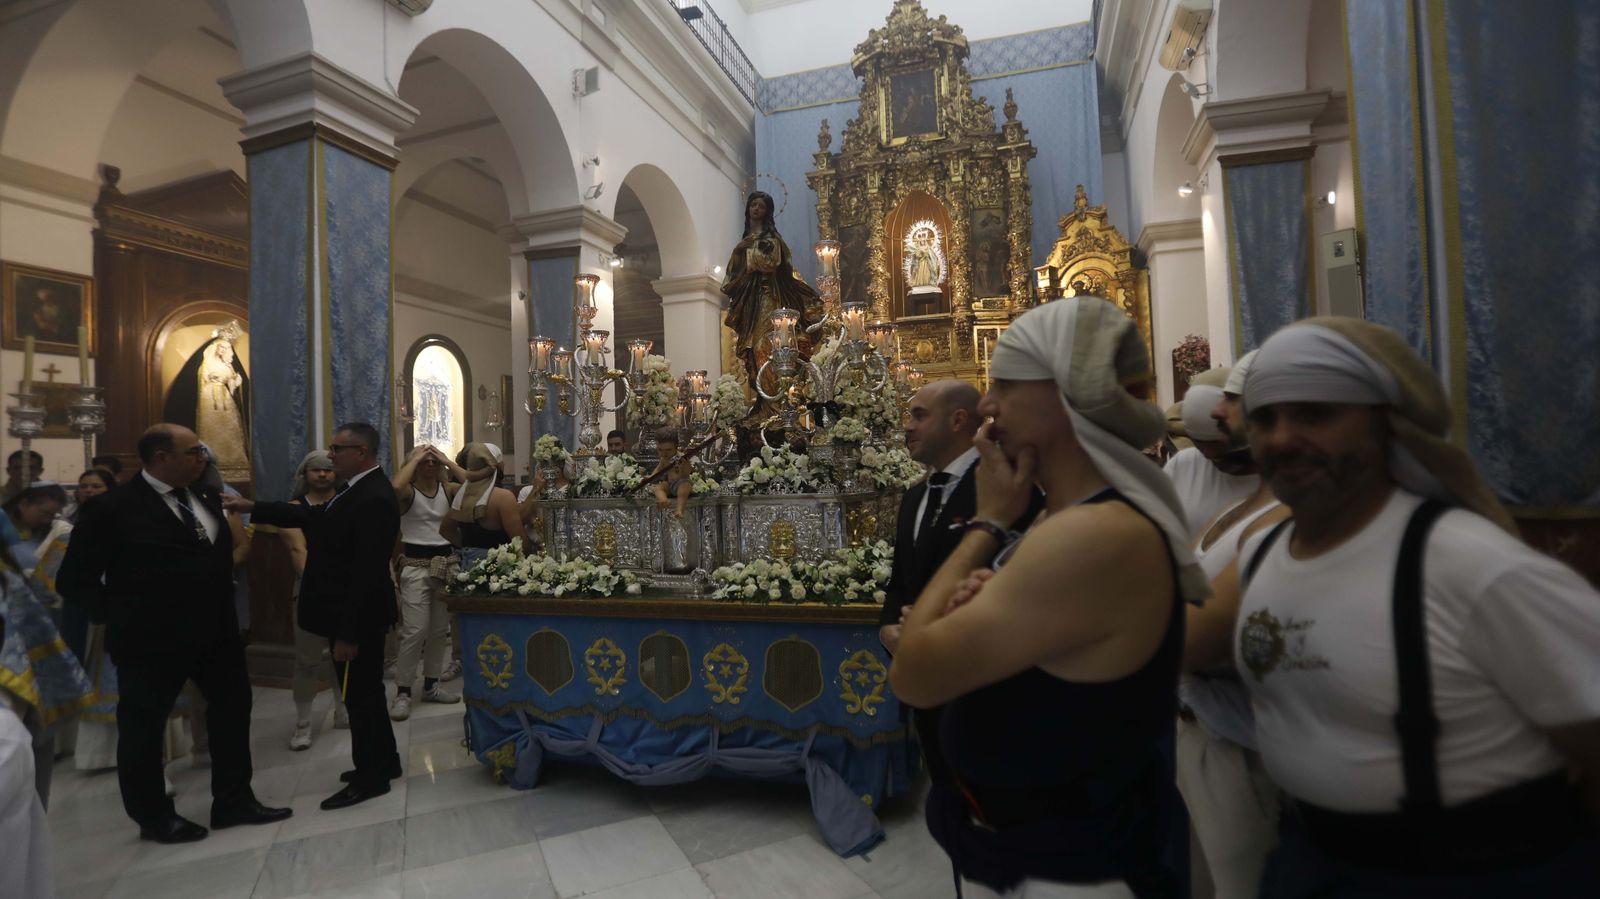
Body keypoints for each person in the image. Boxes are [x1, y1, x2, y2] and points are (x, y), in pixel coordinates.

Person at [1190, 318, 1600, 897]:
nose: (1282, 438)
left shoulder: (1469, 565)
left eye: (1316, 413)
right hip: (1309, 863)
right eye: (1265, 418)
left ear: (1387, 427)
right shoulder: (1259, 555)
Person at [892, 297, 1204, 897]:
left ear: (1067, 393)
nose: (987, 406)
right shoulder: (1066, 521)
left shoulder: (1092, 534)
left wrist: (987, 523)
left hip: (1078, 870)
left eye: (1005, 384)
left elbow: (914, 673)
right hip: (1040, 849)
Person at [59, 424, 289, 843]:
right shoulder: (114, 508)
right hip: (151, 640)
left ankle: (234, 800)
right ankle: (154, 816)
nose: (203, 456)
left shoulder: (203, 498)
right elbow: (74, 581)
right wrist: (122, 615)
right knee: (144, 729)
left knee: (232, 715)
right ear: (161, 458)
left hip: (216, 634)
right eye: (193, 451)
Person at [230, 423, 402, 809]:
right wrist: (252, 507)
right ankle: (384, 762)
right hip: (350, 615)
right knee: (365, 693)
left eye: (337, 448)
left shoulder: (372, 496)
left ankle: (371, 776)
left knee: (360, 696)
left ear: (360, 452)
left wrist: (348, 634)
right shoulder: (354, 491)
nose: (330, 455)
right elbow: (315, 518)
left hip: (357, 618)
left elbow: (366, 573)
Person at [1174, 349, 1289, 898]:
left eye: (1233, 406)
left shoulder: (1286, 519)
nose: (1220, 414)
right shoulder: (1229, 509)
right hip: (1195, 728)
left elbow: (1188, 639)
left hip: (1244, 746)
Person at [389, 444, 463, 721]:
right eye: (425, 461)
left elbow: (476, 485)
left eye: (434, 462)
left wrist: (446, 459)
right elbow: (395, 487)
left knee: (438, 631)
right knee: (415, 630)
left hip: (445, 565)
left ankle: (431, 684)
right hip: (415, 566)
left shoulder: (448, 490)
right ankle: (404, 691)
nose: (430, 465)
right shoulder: (409, 493)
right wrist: (417, 456)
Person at [281, 451, 348, 751]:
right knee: (307, 660)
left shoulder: (347, 505)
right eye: (316, 470)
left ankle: (343, 709)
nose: (322, 475)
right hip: (310, 590)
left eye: (328, 470)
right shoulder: (293, 509)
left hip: (345, 591)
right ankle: (303, 722)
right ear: (305, 475)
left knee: (343, 655)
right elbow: (298, 552)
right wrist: (323, 585)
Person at [721, 191, 819, 391]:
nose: (756, 209)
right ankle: (765, 402)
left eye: (761, 206)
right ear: (748, 208)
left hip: (769, 297)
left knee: (764, 346)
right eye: (753, 205)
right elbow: (733, 275)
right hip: (751, 302)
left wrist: (747, 253)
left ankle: (776, 399)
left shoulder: (772, 239)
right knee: (753, 350)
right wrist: (739, 250)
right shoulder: (744, 242)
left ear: (767, 212)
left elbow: (770, 263)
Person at [440, 443, 521, 563]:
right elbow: (520, 542)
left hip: (469, 566)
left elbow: (445, 529)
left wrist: (469, 548)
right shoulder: (503, 497)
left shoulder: (463, 496)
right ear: (498, 465)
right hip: (499, 569)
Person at [651, 434, 698, 573]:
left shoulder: (681, 458)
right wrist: (650, 478)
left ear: (676, 448)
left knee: (684, 489)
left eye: (668, 450)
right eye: (660, 450)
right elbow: (658, 471)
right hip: (670, 484)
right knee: (658, 488)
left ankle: (679, 509)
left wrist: (684, 462)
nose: (664, 454)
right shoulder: (663, 459)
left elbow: (688, 471)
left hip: (681, 482)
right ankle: (663, 499)